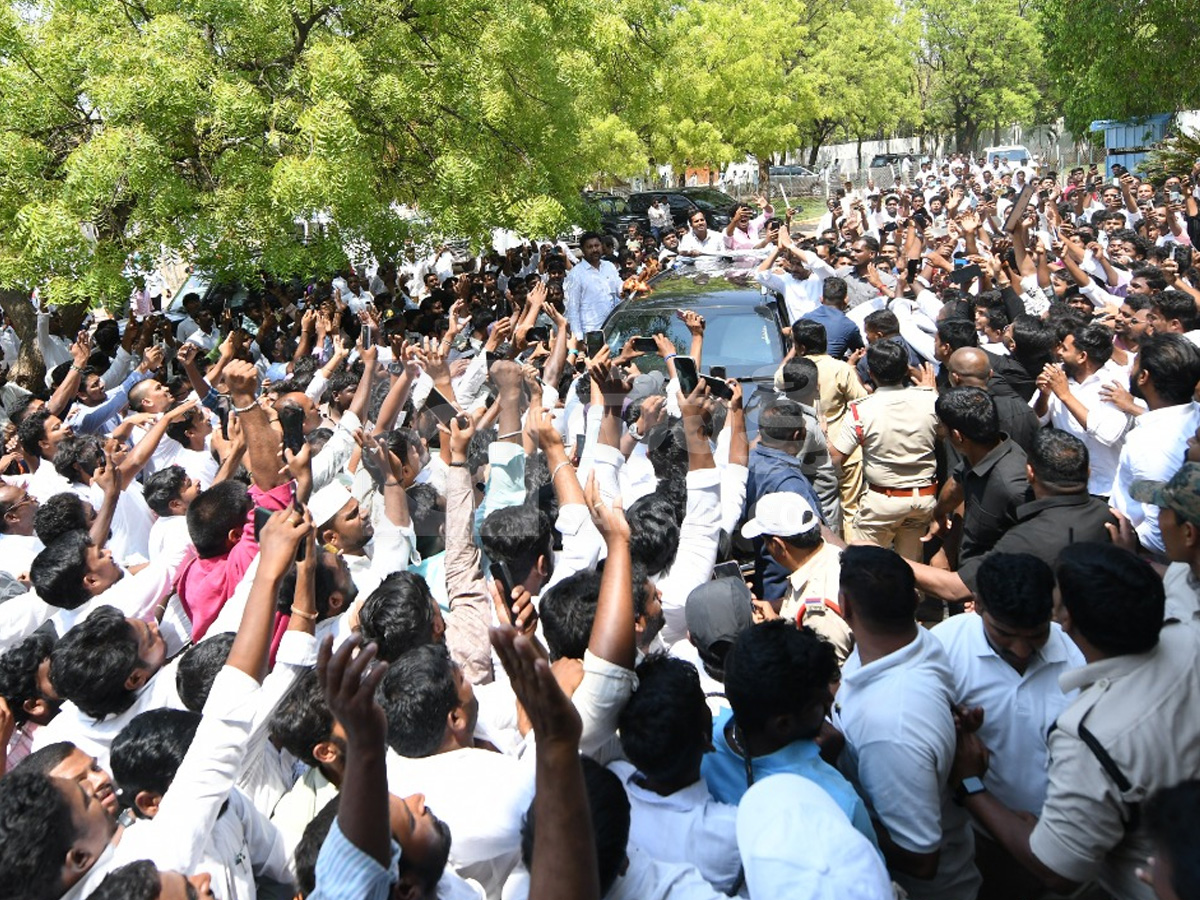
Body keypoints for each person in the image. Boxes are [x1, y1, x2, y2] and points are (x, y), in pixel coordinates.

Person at [951, 543, 1200, 900]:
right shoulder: (1190, 633)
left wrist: (968, 785)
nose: (1021, 650)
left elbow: (1058, 869)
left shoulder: (1091, 736)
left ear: (1064, 621)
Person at [833, 545, 981, 900]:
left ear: (844, 606)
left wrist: (841, 813)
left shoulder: (890, 726)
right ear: (915, 600)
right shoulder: (917, 642)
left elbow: (921, 860)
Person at [931, 553, 1084, 895]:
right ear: (978, 605)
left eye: (1036, 635)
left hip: (1064, 846)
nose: (1022, 650)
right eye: (1005, 634)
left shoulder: (1079, 656)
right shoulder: (942, 649)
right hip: (978, 845)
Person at [701, 620, 879, 848]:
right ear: (782, 724)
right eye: (817, 702)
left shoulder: (698, 754)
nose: (830, 699)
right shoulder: (838, 803)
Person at [830, 340, 938, 561]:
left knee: (865, 566)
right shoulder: (931, 399)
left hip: (882, 502)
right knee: (911, 568)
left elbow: (835, 458)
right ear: (906, 370)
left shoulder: (862, 410)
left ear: (871, 373)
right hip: (924, 499)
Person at [1109, 334, 1200, 556]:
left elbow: (1163, 536)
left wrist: (1135, 551)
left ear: (1144, 377)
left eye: (1135, 364)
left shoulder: (1149, 443)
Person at [739, 492, 852, 663]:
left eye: (765, 541)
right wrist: (774, 613)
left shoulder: (820, 612)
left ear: (777, 545)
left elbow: (827, 678)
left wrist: (775, 633)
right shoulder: (830, 555)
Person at [1032, 322, 1131, 498]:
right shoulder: (1057, 374)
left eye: (1064, 349)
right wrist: (1044, 395)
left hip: (1106, 489)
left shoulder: (1115, 382)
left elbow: (1108, 434)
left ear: (1082, 356)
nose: (1059, 352)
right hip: (1064, 486)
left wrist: (1065, 396)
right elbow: (1036, 421)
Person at [1133, 462, 1200, 623]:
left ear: (1188, 532)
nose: (1158, 519)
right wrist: (1130, 557)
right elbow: (1174, 574)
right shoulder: (1189, 564)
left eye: (1162, 510)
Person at [564, 232, 623, 340]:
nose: (594, 250)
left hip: (613, 329)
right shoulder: (576, 274)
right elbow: (573, 310)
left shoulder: (609, 266)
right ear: (582, 250)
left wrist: (631, 285)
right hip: (591, 334)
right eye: (590, 247)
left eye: (597, 246)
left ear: (602, 246)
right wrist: (579, 339)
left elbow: (620, 289)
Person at [801, 277, 863, 360]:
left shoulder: (805, 319)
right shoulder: (849, 325)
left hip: (804, 367)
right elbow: (859, 352)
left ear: (821, 299)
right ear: (846, 300)